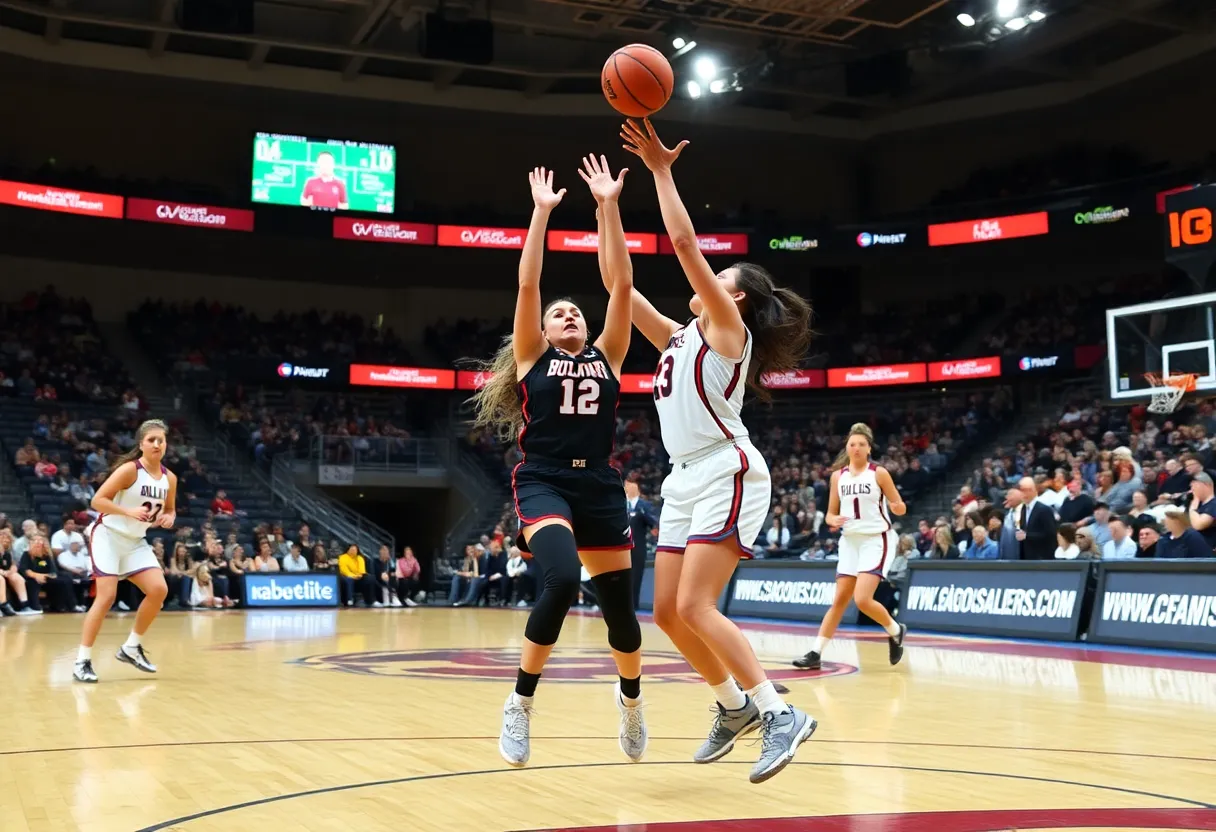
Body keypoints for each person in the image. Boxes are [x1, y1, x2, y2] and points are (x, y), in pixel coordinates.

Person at [616, 119, 815, 784]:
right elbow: (619, 287)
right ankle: (733, 709)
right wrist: (607, 208)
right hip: (682, 480)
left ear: (736, 297)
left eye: (719, 274)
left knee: (699, 607)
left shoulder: (728, 330)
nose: (706, 279)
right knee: (667, 612)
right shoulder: (677, 336)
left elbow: (678, 241)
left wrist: (660, 170)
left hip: (729, 470)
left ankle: (778, 712)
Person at [471, 160, 645, 768]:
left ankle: (630, 702)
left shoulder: (611, 355)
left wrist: (608, 205)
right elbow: (527, 286)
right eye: (559, 313)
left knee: (622, 616)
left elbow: (621, 285)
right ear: (542, 330)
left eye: (575, 311)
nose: (569, 313)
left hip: (599, 483)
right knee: (563, 579)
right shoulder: (531, 356)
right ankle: (519, 704)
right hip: (544, 478)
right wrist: (541, 214)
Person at [792, 423, 909, 670]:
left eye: (861, 444)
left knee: (863, 600)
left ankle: (896, 630)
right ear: (847, 447)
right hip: (850, 541)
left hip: (876, 539)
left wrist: (898, 508)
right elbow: (830, 514)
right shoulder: (838, 476)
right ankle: (815, 652)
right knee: (840, 601)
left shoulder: (879, 473)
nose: (856, 448)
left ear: (869, 448)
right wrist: (832, 520)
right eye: (852, 444)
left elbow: (899, 505)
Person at [73, 419, 174, 684]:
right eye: (151, 439)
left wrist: (168, 516)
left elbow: (170, 508)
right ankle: (81, 660)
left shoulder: (169, 478)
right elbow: (97, 500)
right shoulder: (130, 470)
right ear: (141, 444)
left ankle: (131, 647)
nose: (156, 444)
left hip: (135, 541)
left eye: (160, 440)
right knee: (106, 596)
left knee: (159, 590)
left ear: (166, 445)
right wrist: (128, 511)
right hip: (108, 536)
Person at [625, 476, 658, 608]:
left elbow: (654, 523)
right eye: (626, 484)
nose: (627, 487)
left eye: (630, 484)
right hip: (622, 546)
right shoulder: (621, 504)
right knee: (621, 575)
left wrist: (642, 513)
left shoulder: (644, 505)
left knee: (636, 575)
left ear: (637, 486)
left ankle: (633, 605)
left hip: (638, 545)